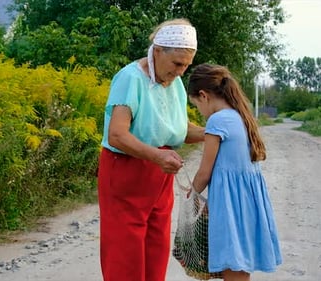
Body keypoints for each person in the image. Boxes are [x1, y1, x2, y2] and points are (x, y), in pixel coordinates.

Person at [97, 18, 204, 281]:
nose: (181, 71)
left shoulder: (174, 83)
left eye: (186, 65)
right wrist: (157, 156)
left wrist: (218, 133)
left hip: (159, 176)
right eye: (177, 64)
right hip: (126, 170)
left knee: (156, 247)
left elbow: (178, 128)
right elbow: (118, 134)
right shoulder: (130, 78)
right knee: (125, 250)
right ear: (157, 51)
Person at [187, 63, 283, 281]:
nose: (200, 113)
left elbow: (204, 172)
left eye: (196, 105)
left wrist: (192, 194)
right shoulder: (240, 115)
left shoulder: (217, 121)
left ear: (203, 96)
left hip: (230, 205)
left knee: (232, 262)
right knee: (239, 265)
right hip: (247, 202)